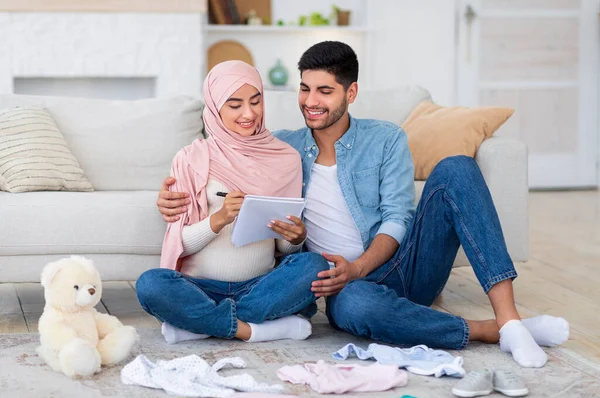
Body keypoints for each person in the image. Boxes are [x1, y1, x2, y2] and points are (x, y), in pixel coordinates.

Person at [156, 43, 569, 367]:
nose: (311, 101)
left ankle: (510, 319)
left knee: (458, 168)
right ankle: (486, 330)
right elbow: (232, 159)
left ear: (350, 92)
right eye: (304, 88)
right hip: (343, 287)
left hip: (401, 264)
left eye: (324, 91)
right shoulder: (280, 149)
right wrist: (171, 198)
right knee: (353, 305)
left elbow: (397, 217)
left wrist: (360, 266)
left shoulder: (385, 138)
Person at [136, 60, 330, 344]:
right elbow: (180, 243)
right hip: (200, 287)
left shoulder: (284, 158)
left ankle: (199, 325)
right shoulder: (191, 158)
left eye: (256, 101)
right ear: (215, 108)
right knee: (151, 285)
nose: (249, 114)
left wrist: (295, 237)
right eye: (235, 105)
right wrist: (219, 219)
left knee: (314, 265)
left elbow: (282, 247)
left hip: (260, 286)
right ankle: (254, 329)